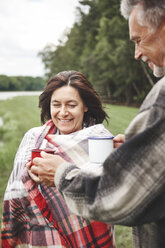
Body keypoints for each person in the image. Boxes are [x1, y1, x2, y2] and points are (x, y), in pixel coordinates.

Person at [29, 1, 165, 248]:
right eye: (56, 105)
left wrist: (61, 173)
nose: (136, 54)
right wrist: (139, 149)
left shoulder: (162, 98)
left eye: (138, 40)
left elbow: (116, 196)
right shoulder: (33, 138)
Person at [1, 70, 117, 248]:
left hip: (90, 237)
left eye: (71, 105)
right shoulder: (34, 138)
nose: (63, 113)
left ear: (85, 105)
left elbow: (110, 193)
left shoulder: (100, 140)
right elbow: (16, 190)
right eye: (56, 105)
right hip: (45, 239)